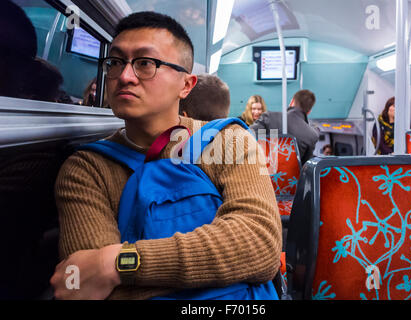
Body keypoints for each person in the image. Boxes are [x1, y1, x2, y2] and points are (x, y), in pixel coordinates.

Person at [50, 11, 281, 300]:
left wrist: (115, 265)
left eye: (145, 63)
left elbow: (259, 244)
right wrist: (221, 269)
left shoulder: (230, 140)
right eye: (116, 62)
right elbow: (89, 284)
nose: (124, 76)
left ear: (186, 85)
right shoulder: (86, 169)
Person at [250, 89, 319, 164]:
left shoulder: (269, 117)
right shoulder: (312, 135)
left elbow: (248, 137)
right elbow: (305, 165)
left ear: (292, 102)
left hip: (263, 171)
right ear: (309, 111)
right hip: (292, 175)